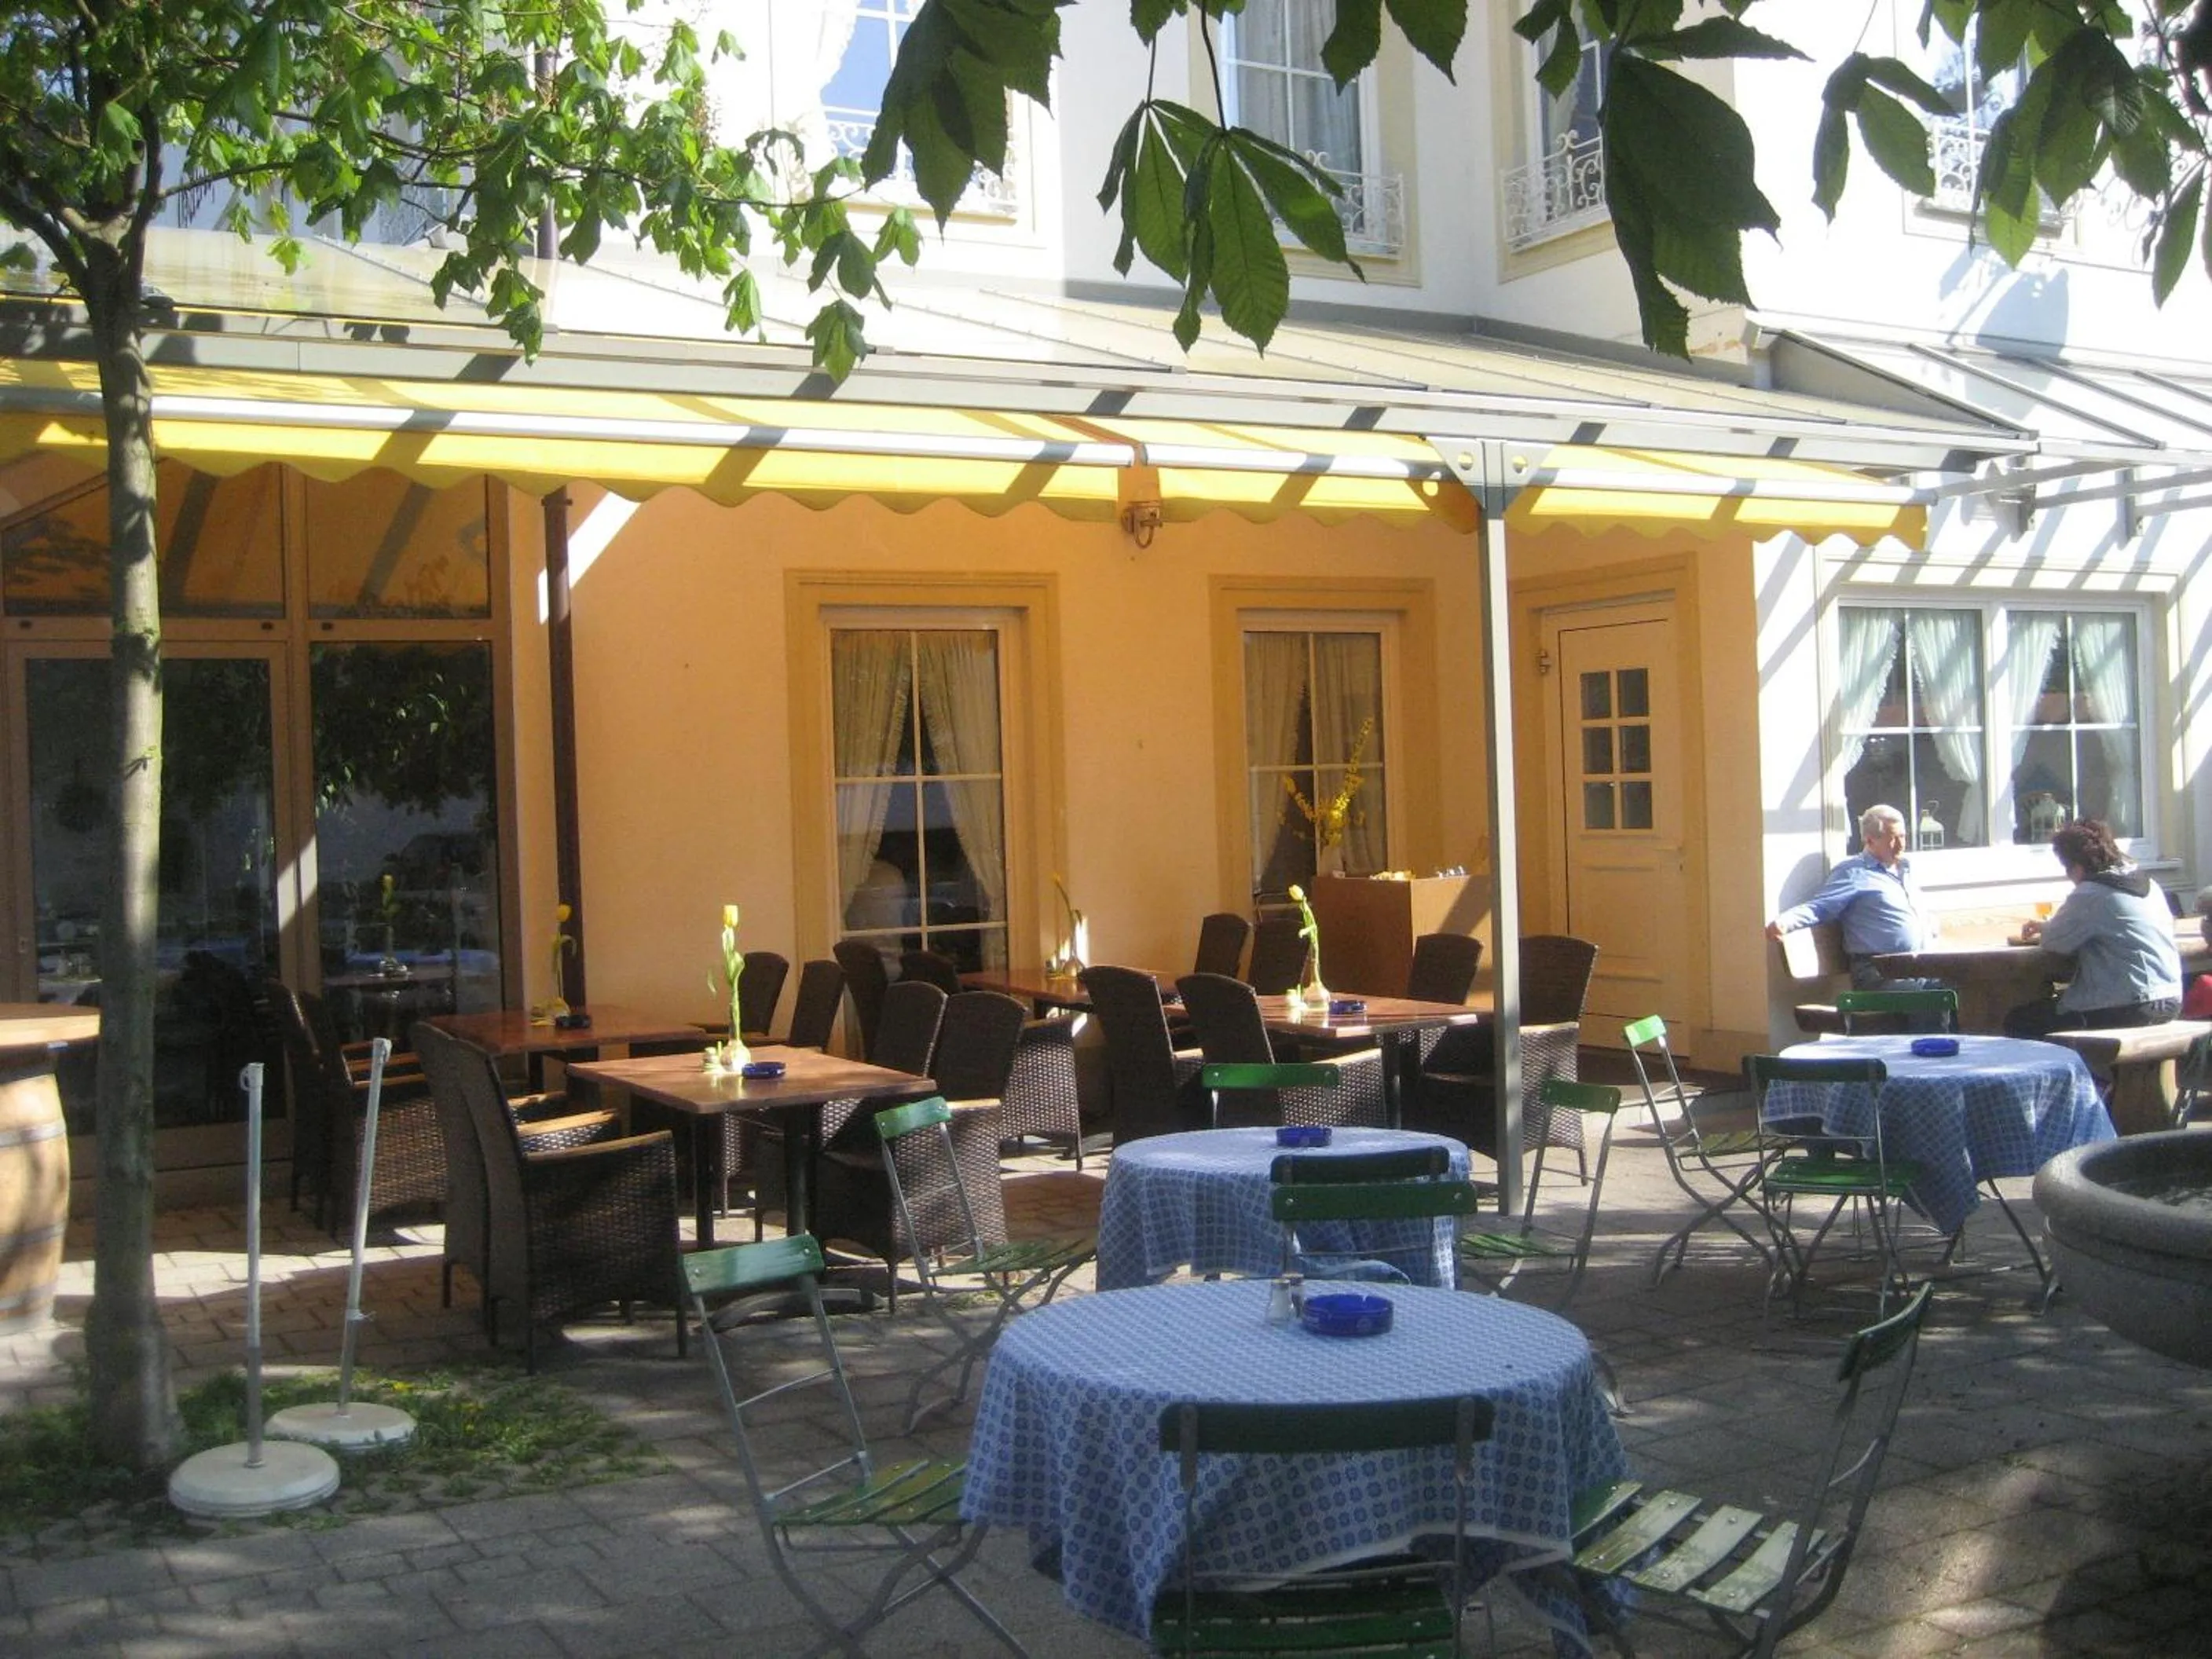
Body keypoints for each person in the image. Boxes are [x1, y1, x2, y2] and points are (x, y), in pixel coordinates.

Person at [2003, 819, 2182, 1038]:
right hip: (2170, 998)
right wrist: (2049, 927)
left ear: (2077, 866)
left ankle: (2076, 1073)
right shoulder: (2148, 884)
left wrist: (2046, 929)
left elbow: (2055, 944)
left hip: (2130, 1004)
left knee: (2020, 1021)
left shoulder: (2092, 893)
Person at [1767, 804, 1940, 991]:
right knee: (1928, 999)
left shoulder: (1904, 870)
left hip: (1918, 968)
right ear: (1870, 840)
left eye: (1903, 836)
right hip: (1878, 972)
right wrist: (1785, 922)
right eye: (1893, 839)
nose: (1901, 845)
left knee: (1960, 992)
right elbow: (1820, 907)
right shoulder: (1854, 873)